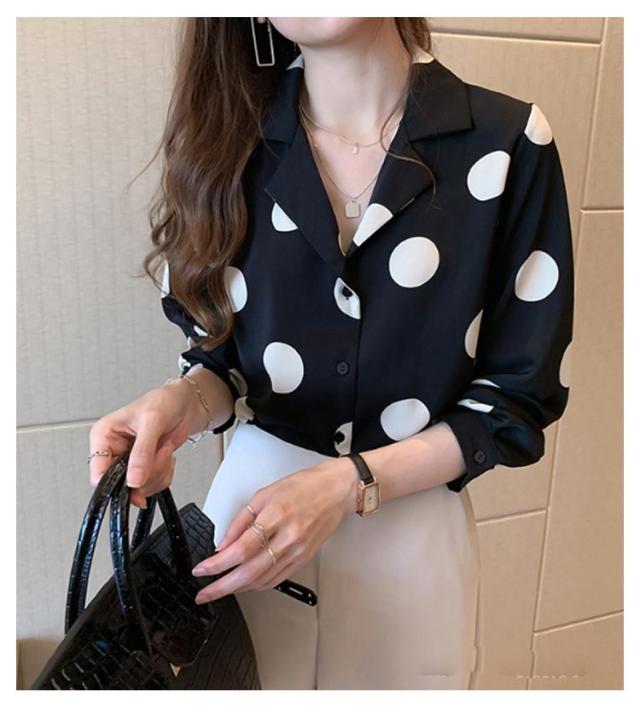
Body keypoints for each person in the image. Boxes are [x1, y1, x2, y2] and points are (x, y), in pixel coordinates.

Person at [87, 18, 574, 689]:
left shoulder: (508, 143)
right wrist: (181, 401)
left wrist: (351, 483)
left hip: (411, 540)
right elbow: (226, 361)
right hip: (247, 533)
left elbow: (515, 398)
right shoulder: (226, 141)